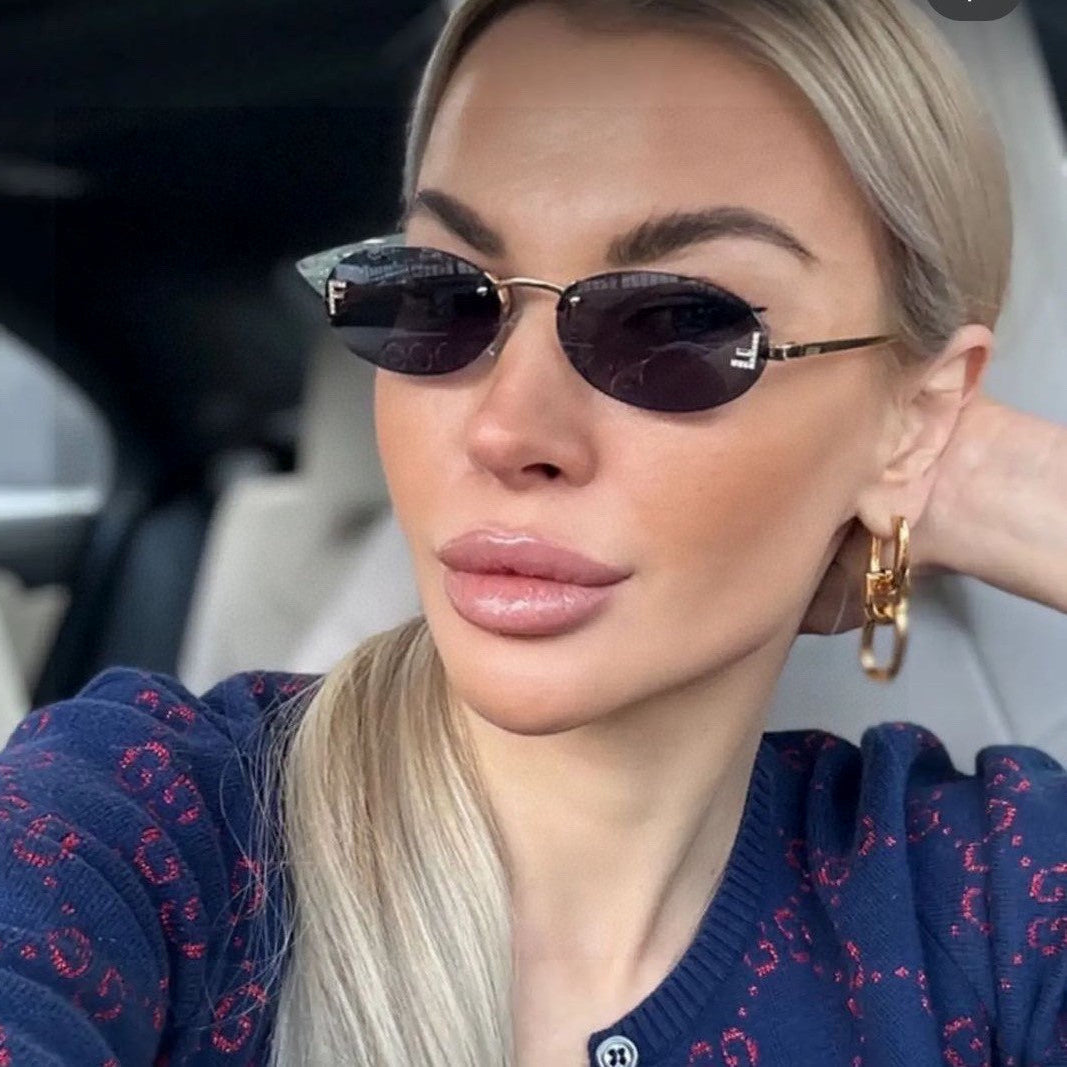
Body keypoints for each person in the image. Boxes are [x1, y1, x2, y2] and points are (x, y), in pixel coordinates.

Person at [0, 0, 1065, 1064]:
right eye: (441, 296)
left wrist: (960, 469)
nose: (506, 429)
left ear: (917, 417)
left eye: (679, 322)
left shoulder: (982, 907)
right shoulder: (144, 824)